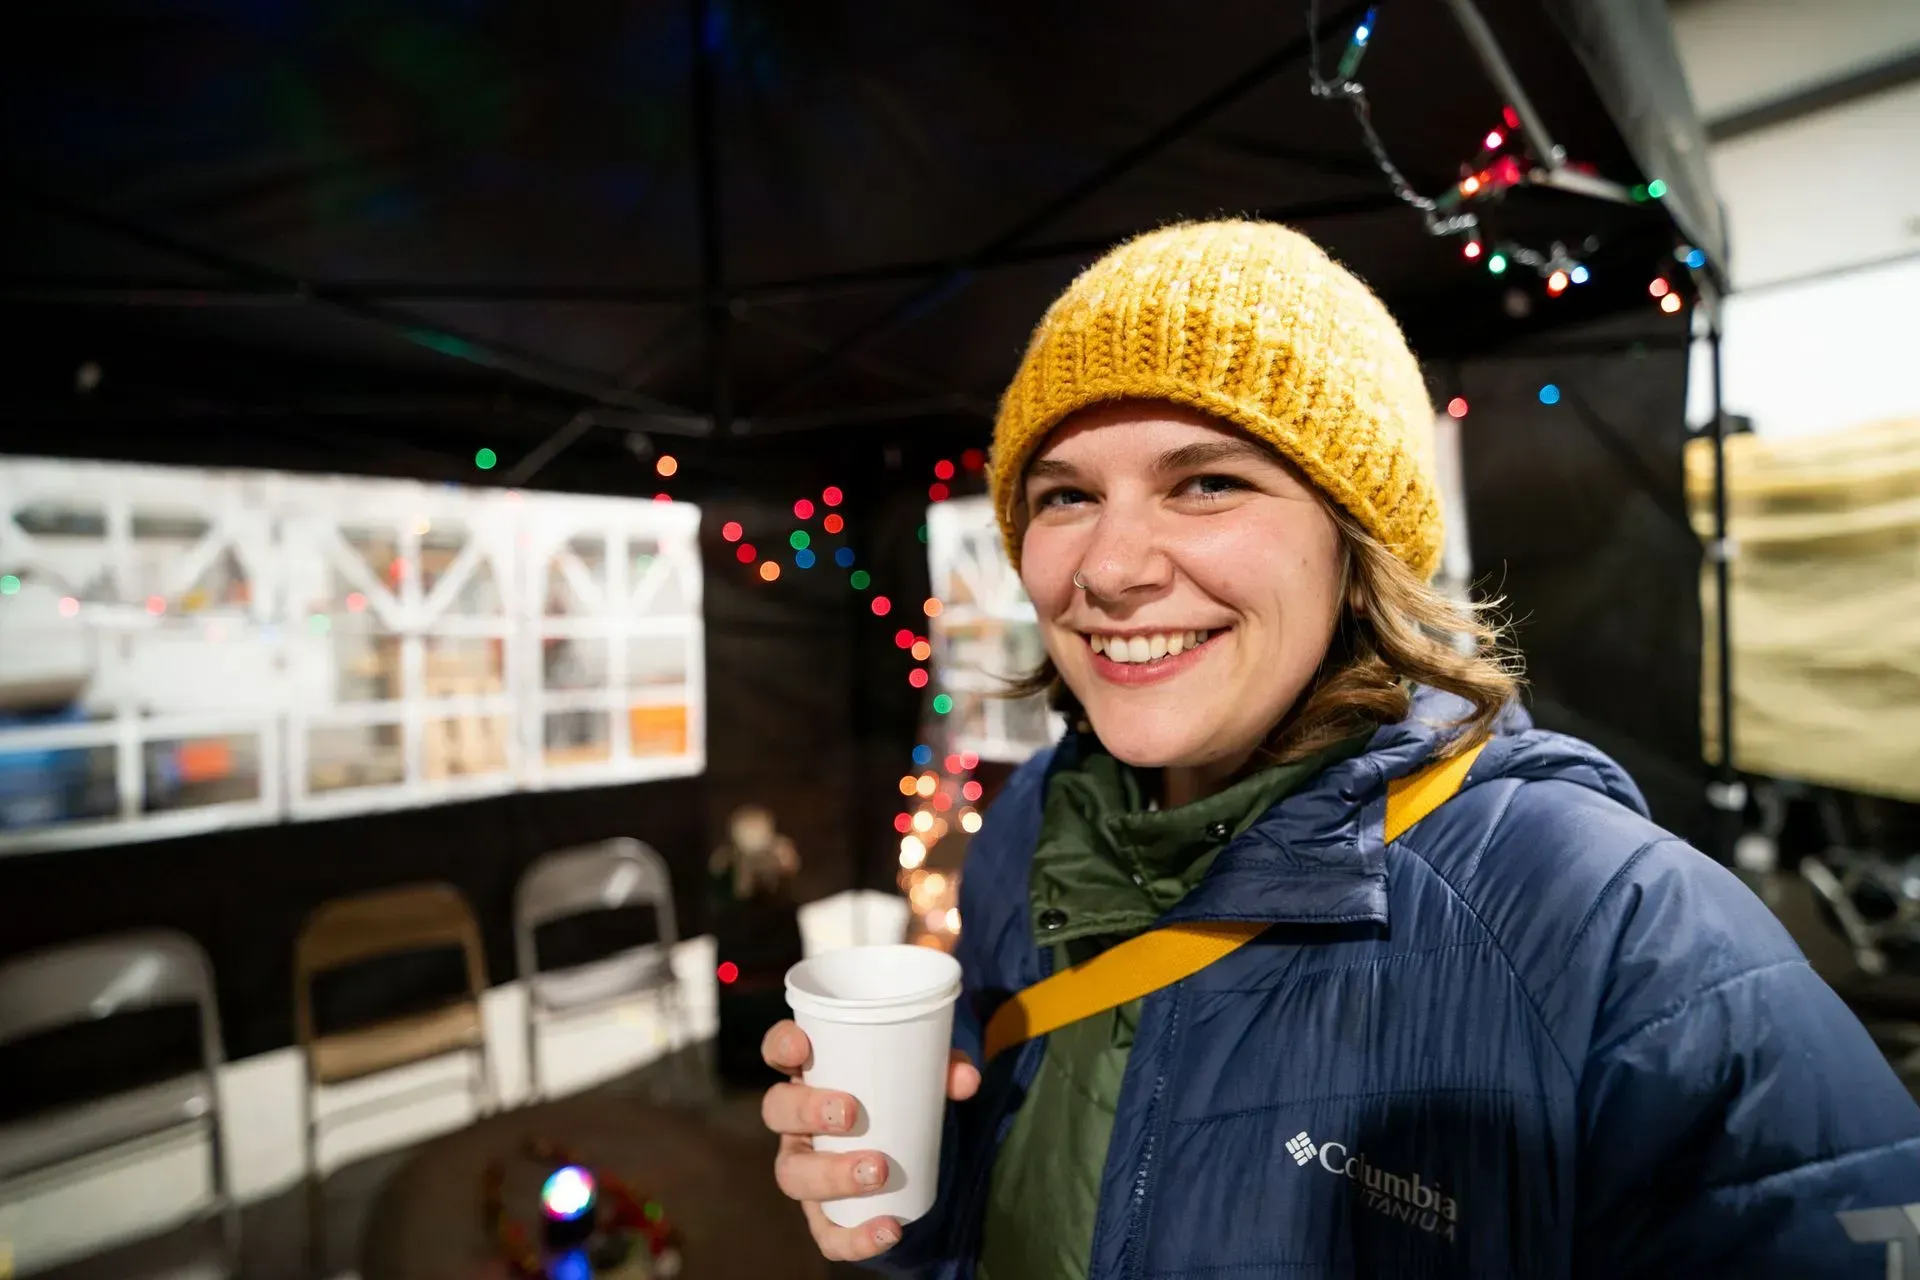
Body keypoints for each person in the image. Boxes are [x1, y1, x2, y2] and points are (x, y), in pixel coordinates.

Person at [757, 221, 1920, 1277]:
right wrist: (920, 1200)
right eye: (1063, 495)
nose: (1109, 569)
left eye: (1208, 481)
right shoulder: (1033, 827)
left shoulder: (1617, 932)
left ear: (1357, 544)